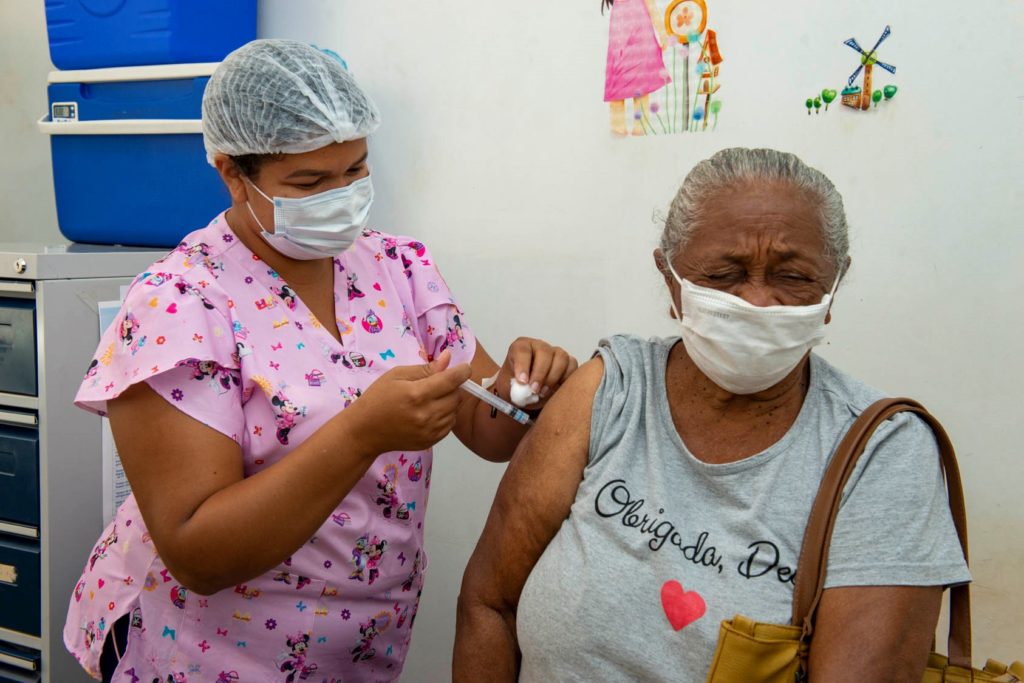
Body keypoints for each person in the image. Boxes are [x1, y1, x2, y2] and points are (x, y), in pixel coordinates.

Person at [64, 39, 577, 682]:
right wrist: (362, 433)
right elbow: (197, 551)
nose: (340, 196)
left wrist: (527, 388)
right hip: (205, 650)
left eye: (356, 170)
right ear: (231, 172)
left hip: (359, 646)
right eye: (308, 182)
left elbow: (485, 425)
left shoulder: (398, 268)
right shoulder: (179, 306)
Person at [454, 148, 970, 682]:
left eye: (792, 276)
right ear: (670, 278)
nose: (758, 302)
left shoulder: (882, 453)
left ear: (833, 286)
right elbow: (489, 605)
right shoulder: (611, 389)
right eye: (725, 274)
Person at [602, 0, 672, 135]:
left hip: (641, 36)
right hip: (620, 38)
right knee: (616, 90)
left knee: (641, 88)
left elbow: (651, 5)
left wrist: (662, 33)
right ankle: (618, 131)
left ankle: (639, 132)